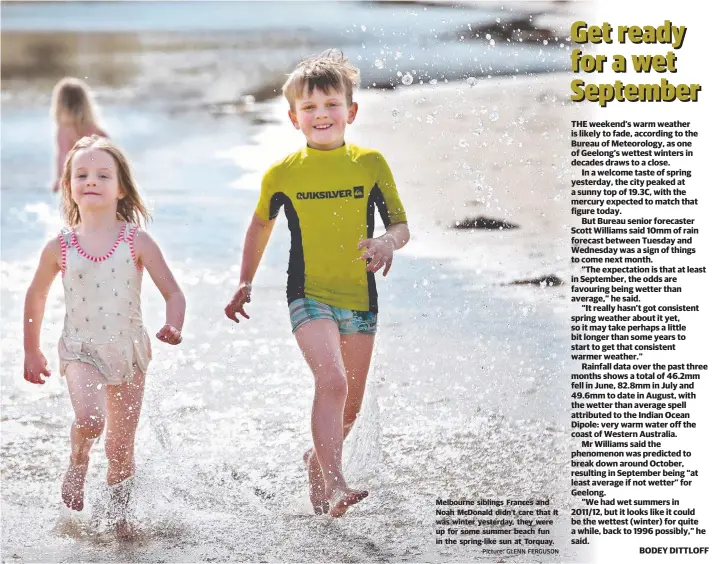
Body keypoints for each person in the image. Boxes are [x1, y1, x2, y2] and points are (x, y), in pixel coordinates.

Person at [224, 49, 410, 517]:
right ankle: (336, 478)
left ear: (351, 110)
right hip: (307, 295)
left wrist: (387, 242)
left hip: (360, 299)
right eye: (309, 108)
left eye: (331, 105)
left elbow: (401, 226)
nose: (321, 115)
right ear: (293, 118)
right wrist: (244, 282)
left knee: (350, 405)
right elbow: (259, 227)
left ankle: (316, 461)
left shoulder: (370, 164)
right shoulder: (283, 173)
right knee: (332, 379)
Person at [23, 135, 185, 536]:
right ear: (69, 186)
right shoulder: (60, 245)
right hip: (81, 351)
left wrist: (174, 323)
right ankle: (78, 459)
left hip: (129, 353)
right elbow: (36, 295)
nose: (90, 180)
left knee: (120, 449)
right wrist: (32, 351)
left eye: (102, 174)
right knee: (91, 419)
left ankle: (120, 518)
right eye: (81, 174)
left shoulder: (137, 241)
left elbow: (174, 292)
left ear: (121, 188)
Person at [50, 77, 109, 193]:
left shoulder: (63, 131)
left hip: (76, 180)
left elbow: (62, 156)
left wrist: (59, 179)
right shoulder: (95, 130)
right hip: (98, 180)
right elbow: (112, 154)